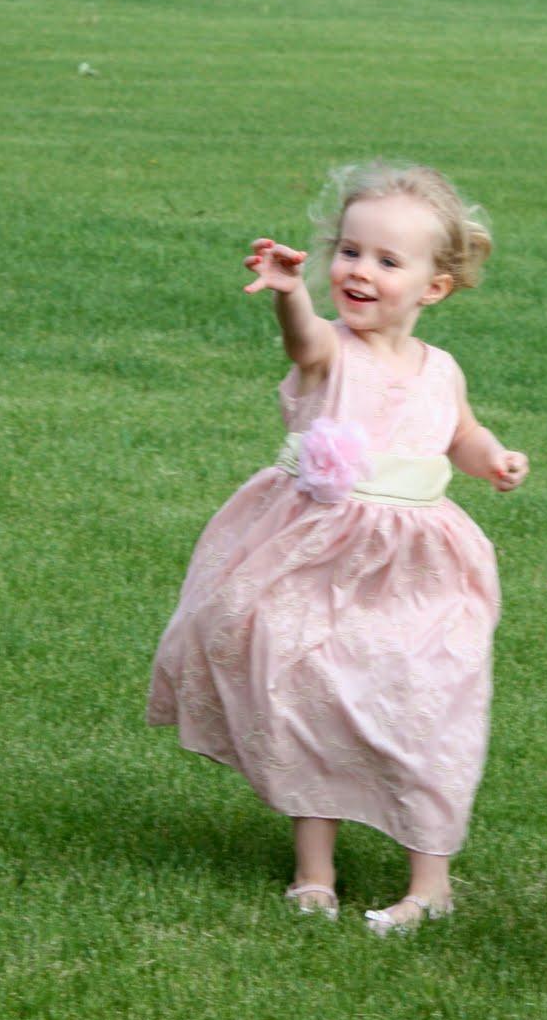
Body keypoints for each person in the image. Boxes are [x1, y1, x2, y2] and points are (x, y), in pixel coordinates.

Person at [149, 160, 527, 932]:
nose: (360, 270)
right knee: (309, 688)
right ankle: (314, 871)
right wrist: (289, 294)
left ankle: (430, 881)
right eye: (350, 251)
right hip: (322, 554)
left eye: (388, 260)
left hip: (418, 565)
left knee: (428, 701)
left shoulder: (441, 369)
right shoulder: (332, 351)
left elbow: (458, 431)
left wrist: (490, 457)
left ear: (434, 286)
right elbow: (304, 344)